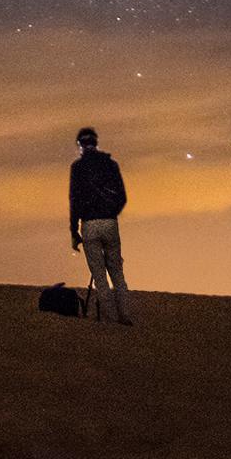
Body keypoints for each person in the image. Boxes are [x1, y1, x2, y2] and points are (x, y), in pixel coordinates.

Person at [69, 126, 132, 325]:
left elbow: (74, 201)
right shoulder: (111, 165)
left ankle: (112, 321)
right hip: (110, 223)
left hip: (89, 225)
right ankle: (125, 316)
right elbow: (122, 197)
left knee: (99, 276)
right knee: (117, 272)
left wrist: (74, 230)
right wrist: (111, 212)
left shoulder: (77, 168)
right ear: (96, 142)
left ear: (80, 145)